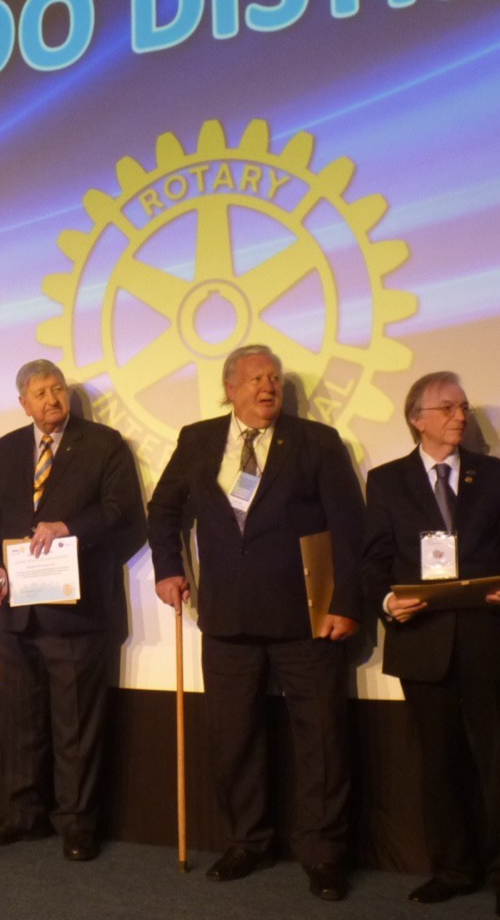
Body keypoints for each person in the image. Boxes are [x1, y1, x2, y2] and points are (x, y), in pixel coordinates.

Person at [147, 343, 362, 903]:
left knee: (321, 740)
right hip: (226, 618)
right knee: (233, 737)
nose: (268, 387)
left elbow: (349, 528)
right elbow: (163, 509)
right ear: (230, 388)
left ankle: (323, 853)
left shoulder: (316, 442)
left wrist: (346, 603)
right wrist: (168, 569)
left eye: (274, 378)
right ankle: (248, 841)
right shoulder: (198, 440)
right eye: (256, 379)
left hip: (306, 618)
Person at [362, 371, 500, 920]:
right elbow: (374, 559)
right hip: (422, 642)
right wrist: (386, 603)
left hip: (488, 638)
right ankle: (453, 870)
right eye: (448, 408)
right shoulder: (386, 481)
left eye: (464, 407)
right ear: (417, 419)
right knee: (436, 766)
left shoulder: (497, 476)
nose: (461, 416)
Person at [0, 359, 144, 862]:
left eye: (58, 389)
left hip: (77, 610)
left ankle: (77, 822)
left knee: (76, 725)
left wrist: (70, 528)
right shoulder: (5, 449)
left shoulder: (103, 444)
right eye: (41, 393)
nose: (52, 399)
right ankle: (24, 813)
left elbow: (124, 513)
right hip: (17, 609)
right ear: (23, 403)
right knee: (20, 720)